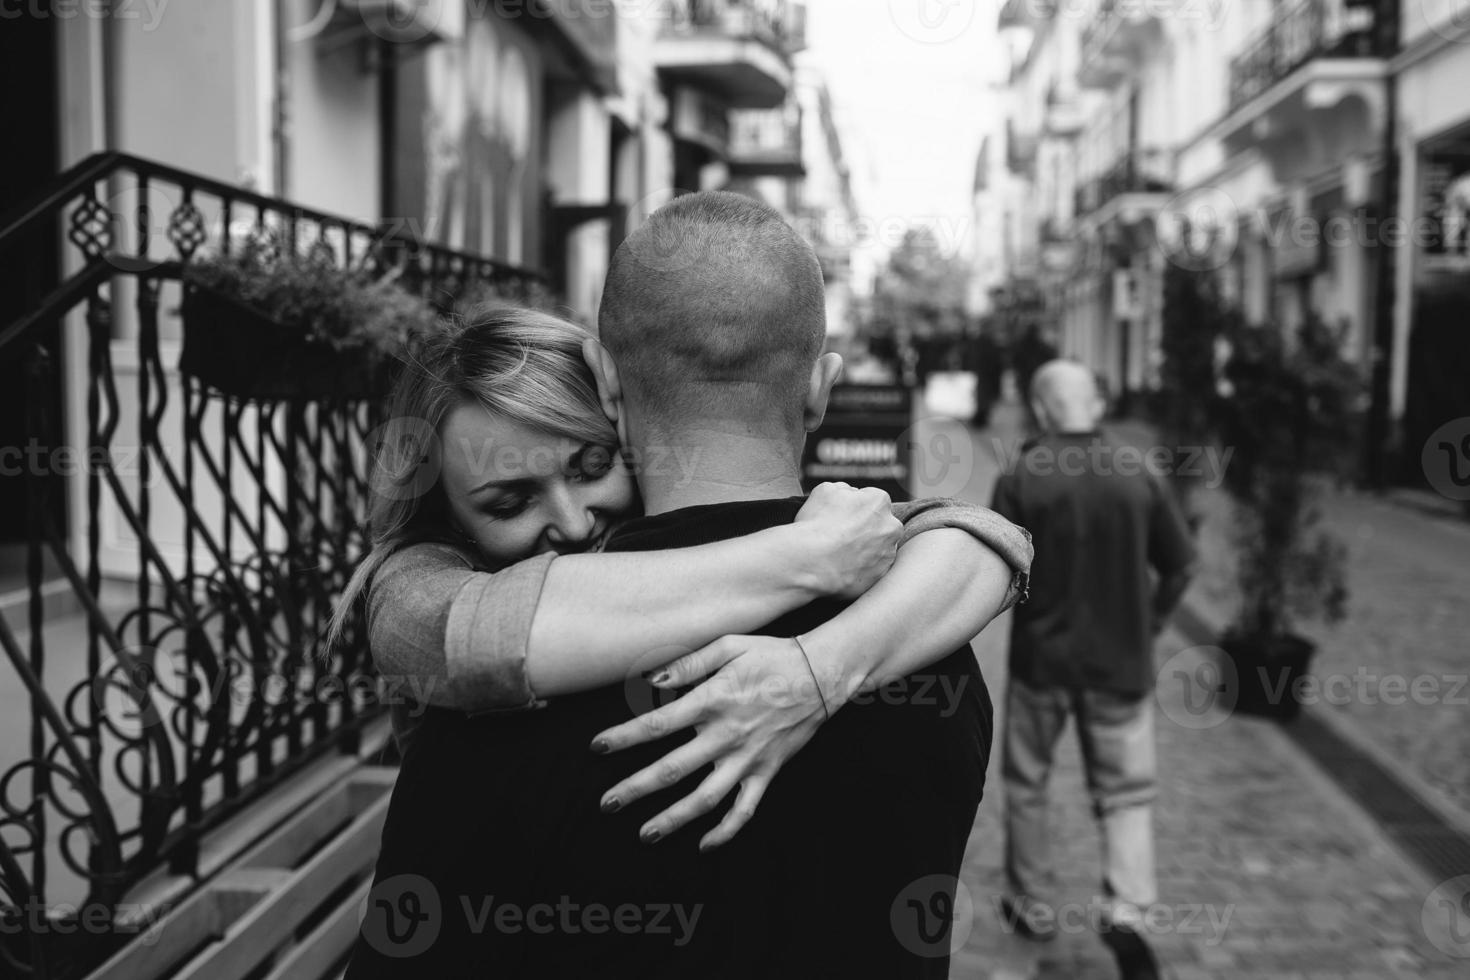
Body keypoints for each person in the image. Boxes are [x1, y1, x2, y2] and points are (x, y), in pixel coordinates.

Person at [340, 201, 1031, 975]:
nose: (568, 524)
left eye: (589, 465)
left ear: (607, 387)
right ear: (821, 388)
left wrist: (821, 662)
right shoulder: (932, 657)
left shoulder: (485, 713)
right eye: (508, 502)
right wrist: (814, 610)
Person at [989, 360, 1196, 980]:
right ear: (1096, 407)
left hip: (1042, 664)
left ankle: (1032, 906)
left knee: (1028, 783)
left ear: (1044, 411)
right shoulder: (1139, 472)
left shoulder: (1024, 473)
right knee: (1127, 794)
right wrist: (1152, 623)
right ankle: (1127, 912)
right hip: (1121, 662)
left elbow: (998, 575)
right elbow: (1181, 565)